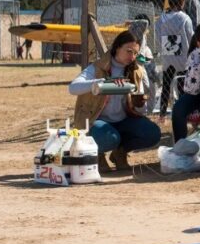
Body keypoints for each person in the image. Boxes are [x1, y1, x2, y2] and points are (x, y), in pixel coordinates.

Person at [69, 30, 161, 172]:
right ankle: (98, 155)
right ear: (117, 47)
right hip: (96, 121)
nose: (132, 56)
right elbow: (73, 88)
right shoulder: (98, 68)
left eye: (135, 53)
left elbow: (141, 110)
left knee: (152, 133)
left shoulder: (136, 71)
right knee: (109, 138)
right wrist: (99, 83)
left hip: (123, 121)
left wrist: (140, 104)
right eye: (128, 51)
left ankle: (120, 152)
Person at [155, 0, 194, 122]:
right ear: (182, 2)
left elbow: (158, 36)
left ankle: (162, 114)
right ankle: (185, 111)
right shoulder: (184, 18)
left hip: (168, 55)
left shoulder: (161, 19)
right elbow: (190, 36)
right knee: (183, 84)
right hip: (183, 56)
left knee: (166, 85)